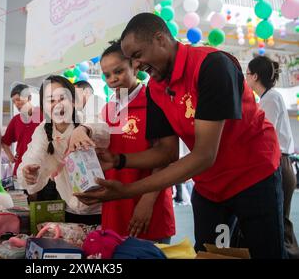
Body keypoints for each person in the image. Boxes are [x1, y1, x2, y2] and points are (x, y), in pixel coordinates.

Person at [76, 13, 285, 259]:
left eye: (137, 55)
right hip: (210, 185)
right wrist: (120, 160)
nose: (136, 65)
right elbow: (167, 152)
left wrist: (128, 190)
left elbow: (204, 155)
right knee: (211, 254)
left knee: (266, 253)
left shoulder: (212, 66)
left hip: (253, 174)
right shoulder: (155, 88)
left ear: (161, 40)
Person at [100, 40, 175, 243]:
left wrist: (147, 201)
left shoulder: (154, 102)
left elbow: (166, 156)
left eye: (118, 71)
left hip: (148, 207)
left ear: (134, 65)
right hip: (114, 208)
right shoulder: (107, 110)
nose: (113, 79)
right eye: (107, 75)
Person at [17, 75, 109, 225]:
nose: (58, 105)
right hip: (69, 209)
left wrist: (85, 130)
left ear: (73, 101)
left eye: (62, 98)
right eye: (51, 100)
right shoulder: (43, 132)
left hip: (103, 209)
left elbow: (104, 132)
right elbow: (32, 159)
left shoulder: (86, 119)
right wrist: (28, 174)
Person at [246, 55, 298, 258]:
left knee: (280, 221)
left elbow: (261, 133)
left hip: (279, 162)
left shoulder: (271, 98)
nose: (246, 78)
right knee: (276, 220)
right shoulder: (267, 98)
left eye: (247, 74)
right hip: (277, 162)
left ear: (256, 76)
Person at [1, 84, 42, 177]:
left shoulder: (40, 114)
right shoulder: (16, 120)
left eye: (18, 99)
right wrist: (12, 158)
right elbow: (4, 142)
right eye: (14, 101)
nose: (16, 104)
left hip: (39, 168)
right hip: (20, 169)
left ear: (29, 97)